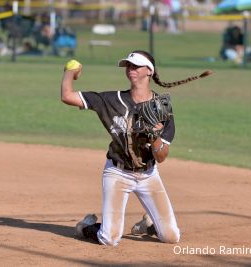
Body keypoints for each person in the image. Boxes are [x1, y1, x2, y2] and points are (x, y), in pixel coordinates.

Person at [61, 51, 203, 246]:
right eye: (128, 66)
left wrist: (154, 136)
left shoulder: (161, 110)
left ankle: (149, 225)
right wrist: (70, 72)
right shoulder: (111, 100)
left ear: (149, 72)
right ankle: (86, 227)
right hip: (117, 173)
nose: (131, 69)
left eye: (135, 66)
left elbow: (161, 157)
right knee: (109, 239)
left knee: (171, 237)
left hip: (148, 175)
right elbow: (67, 96)